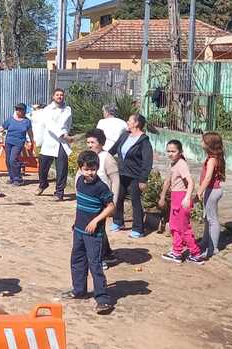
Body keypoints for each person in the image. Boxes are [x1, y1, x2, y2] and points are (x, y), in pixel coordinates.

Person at [61, 151, 115, 315]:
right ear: (80, 169)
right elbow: (81, 206)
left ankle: (103, 299)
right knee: (77, 261)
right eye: (86, 169)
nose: (90, 173)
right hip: (78, 230)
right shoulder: (79, 182)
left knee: (95, 265)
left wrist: (95, 221)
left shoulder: (101, 187)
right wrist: (78, 223)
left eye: (93, 169)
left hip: (94, 234)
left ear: (97, 168)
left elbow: (111, 207)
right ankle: (79, 290)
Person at [108, 113, 153, 239]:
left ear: (136, 123)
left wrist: (143, 179)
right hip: (121, 173)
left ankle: (138, 228)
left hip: (135, 176)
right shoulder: (124, 136)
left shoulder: (144, 141)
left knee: (135, 202)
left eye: (129, 120)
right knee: (118, 198)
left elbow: (147, 161)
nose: (127, 122)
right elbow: (113, 150)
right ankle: (118, 222)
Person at [159, 140, 203, 264]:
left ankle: (196, 253)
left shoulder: (181, 164)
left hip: (181, 198)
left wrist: (187, 197)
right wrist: (162, 196)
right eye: (168, 151)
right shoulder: (173, 164)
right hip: (175, 197)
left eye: (173, 151)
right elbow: (167, 181)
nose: (170, 154)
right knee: (174, 226)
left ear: (180, 152)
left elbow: (191, 182)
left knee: (184, 228)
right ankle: (177, 251)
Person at [84, 129, 120, 268]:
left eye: (92, 142)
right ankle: (107, 253)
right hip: (89, 199)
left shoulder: (107, 158)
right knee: (98, 228)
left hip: (102, 201)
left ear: (101, 143)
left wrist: (114, 203)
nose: (90, 145)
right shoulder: (89, 157)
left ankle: (99, 258)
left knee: (97, 228)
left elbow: (115, 181)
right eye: (88, 142)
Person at [35, 89, 74, 201]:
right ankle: (43, 184)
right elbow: (50, 124)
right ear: (53, 96)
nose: (59, 97)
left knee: (62, 169)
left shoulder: (67, 109)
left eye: (61, 95)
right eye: (57, 95)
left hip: (62, 143)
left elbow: (68, 123)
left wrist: (67, 134)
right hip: (49, 141)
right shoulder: (47, 110)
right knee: (43, 168)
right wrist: (62, 134)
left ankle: (59, 193)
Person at [197, 132, 226, 259]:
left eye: (203, 140)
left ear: (209, 144)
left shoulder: (212, 160)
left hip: (212, 191)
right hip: (212, 191)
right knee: (207, 218)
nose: (201, 142)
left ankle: (213, 248)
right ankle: (205, 242)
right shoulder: (213, 157)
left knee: (212, 219)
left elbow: (208, 177)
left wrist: (199, 192)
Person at [0, 103, 33, 186]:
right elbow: (2, 127)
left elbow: (30, 132)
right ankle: (12, 177)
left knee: (12, 160)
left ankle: (18, 179)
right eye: (17, 109)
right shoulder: (11, 119)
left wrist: (31, 141)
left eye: (20, 109)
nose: (18, 111)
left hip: (19, 143)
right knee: (7, 160)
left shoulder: (27, 122)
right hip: (9, 142)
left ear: (24, 111)